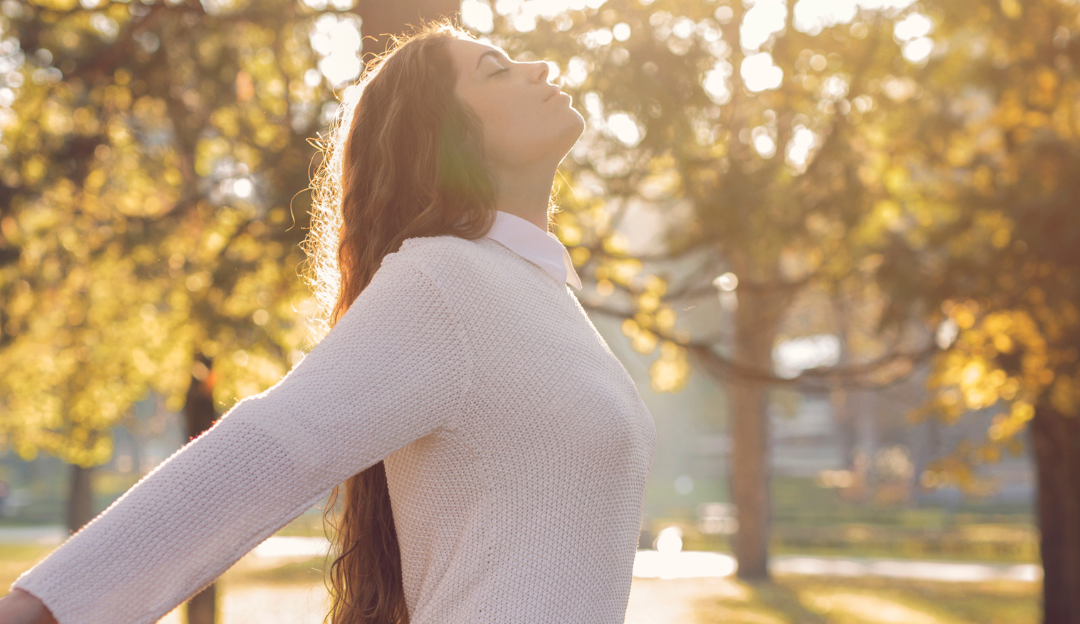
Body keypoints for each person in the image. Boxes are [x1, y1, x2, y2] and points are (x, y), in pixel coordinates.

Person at [1, 18, 656, 624]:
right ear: (444, 134)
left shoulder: (540, 292)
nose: (539, 67)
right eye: (496, 69)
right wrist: (40, 609)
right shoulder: (445, 281)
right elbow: (275, 445)